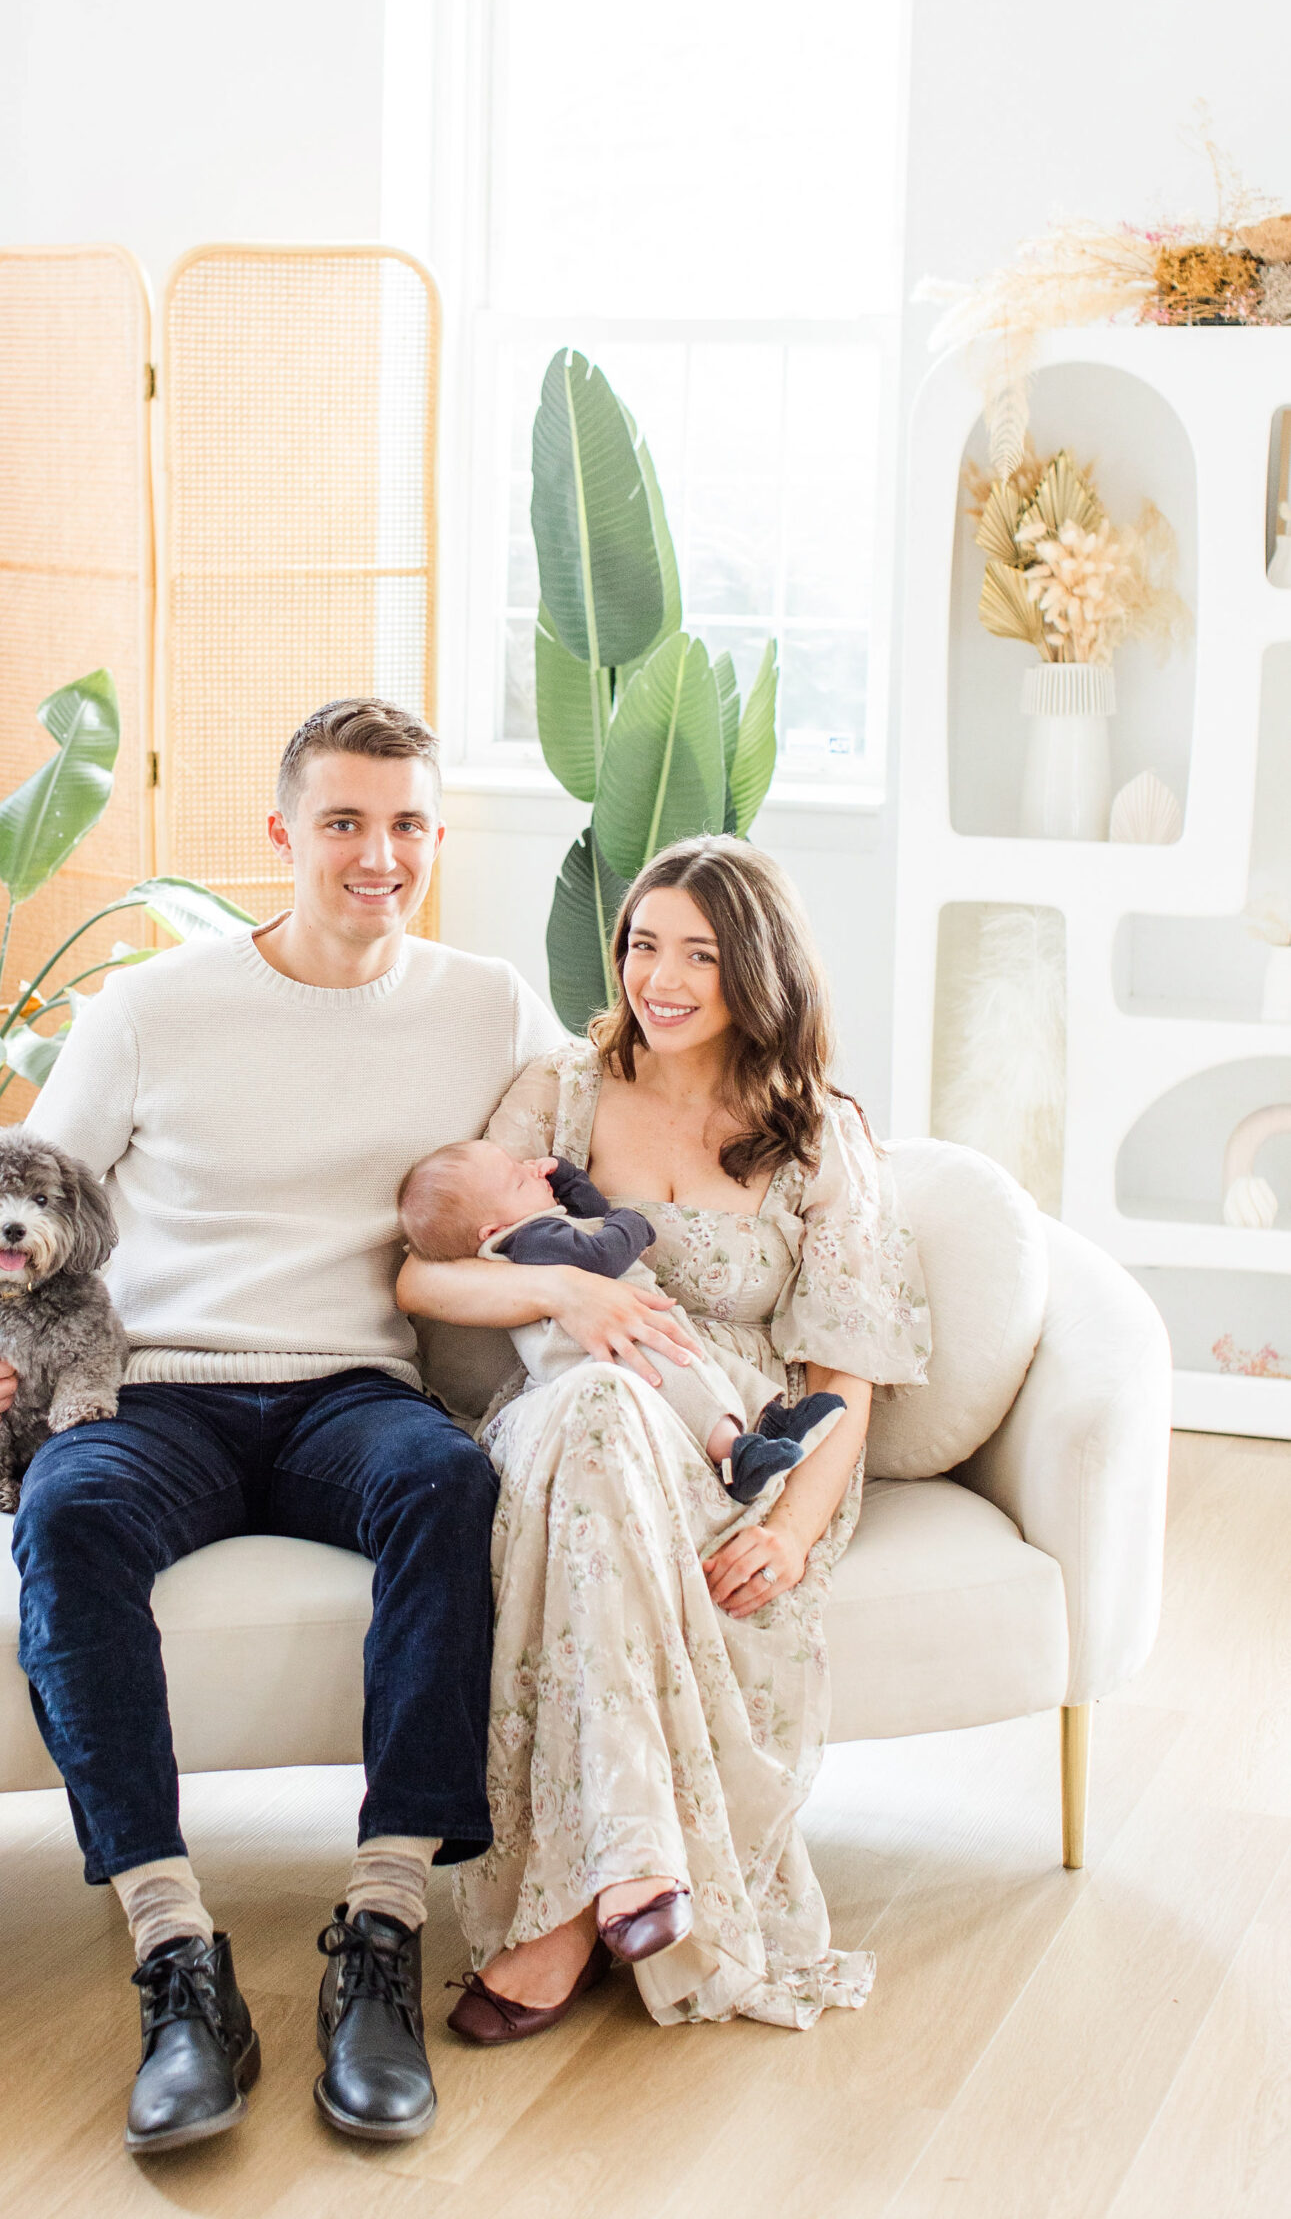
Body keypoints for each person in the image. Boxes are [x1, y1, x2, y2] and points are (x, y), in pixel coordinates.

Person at [0, 697, 567, 2153]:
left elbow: (602, 1120)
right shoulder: (154, 1009)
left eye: (406, 823)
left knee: (445, 1489)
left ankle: (381, 1932)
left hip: (351, 1393)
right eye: (343, 822)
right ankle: (174, 1959)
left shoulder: (482, 1007)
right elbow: (3, 1193)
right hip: (158, 1388)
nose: (377, 855)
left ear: (434, 839)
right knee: (68, 1514)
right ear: (279, 836)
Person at [397, 835, 931, 2044]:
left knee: (622, 1429)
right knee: (597, 1408)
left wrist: (792, 1533)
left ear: (757, 967)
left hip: (733, 1454)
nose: (662, 976)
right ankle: (626, 1871)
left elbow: (846, 1372)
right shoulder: (562, 1091)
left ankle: (576, 1910)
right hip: (566, 1407)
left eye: (699, 951)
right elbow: (428, 1277)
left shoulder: (815, 1133)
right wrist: (566, 1297)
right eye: (644, 944)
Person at [395, 1136, 847, 1504]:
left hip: (636, 1326)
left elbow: (589, 1215)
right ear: (490, 1232)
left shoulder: (538, 1223)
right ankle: (735, 1456)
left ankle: (770, 1421)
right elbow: (602, 1252)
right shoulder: (529, 1240)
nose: (532, 1168)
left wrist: (565, 1178)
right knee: (679, 1376)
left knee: (708, 1360)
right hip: (606, 1353)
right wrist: (633, 1222)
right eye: (518, 1180)